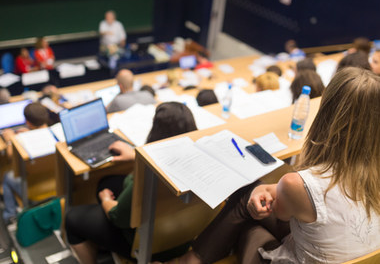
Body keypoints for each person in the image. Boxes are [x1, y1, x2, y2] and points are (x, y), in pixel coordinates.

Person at [158, 67, 380, 264]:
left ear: (325, 115)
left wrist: (262, 191)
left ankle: (188, 261)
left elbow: (282, 208)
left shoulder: (298, 185)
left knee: (249, 223)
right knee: (253, 196)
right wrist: (263, 190)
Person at [65, 102, 198, 263]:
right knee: (106, 182)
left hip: (149, 246)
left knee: (72, 218)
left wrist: (106, 200)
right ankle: (102, 240)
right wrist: (137, 155)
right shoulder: (192, 162)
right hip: (181, 236)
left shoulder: (149, 178)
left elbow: (117, 216)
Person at [2, 103, 50, 223]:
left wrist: (9, 139)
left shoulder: (23, 140)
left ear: (28, 122)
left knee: (7, 176)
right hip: (57, 184)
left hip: (33, 189)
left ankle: (10, 215)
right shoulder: (55, 132)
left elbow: (10, 157)